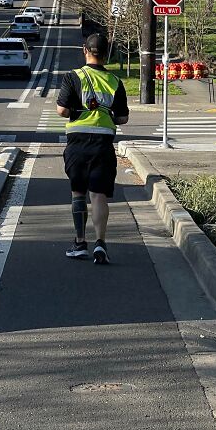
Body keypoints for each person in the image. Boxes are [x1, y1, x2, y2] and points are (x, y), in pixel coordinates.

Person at [56, 33, 129, 264]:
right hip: (103, 143)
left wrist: (77, 112)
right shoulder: (115, 82)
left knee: (78, 192)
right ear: (106, 54)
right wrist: (106, 116)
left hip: (77, 141)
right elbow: (123, 118)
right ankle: (101, 243)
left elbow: (62, 110)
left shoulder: (73, 77)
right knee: (98, 194)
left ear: (84, 50)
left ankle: (79, 243)